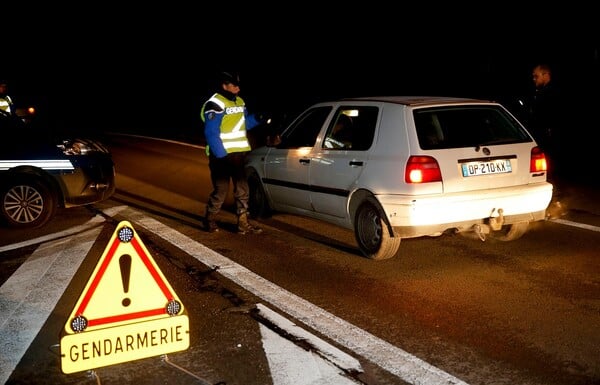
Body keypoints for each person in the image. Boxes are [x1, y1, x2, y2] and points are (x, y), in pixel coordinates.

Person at [200, 71, 264, 234]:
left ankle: (243, 223)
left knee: (242, 189)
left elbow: (242, 125)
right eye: (233, 85)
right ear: (224, 86)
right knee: (221, 190)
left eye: (238, 85)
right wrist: (221, 155)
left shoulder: (240, 102)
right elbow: (211, 133)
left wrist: (257, 118)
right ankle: (210, 219)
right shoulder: (215, 104)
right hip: (221, 156)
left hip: (238, 155)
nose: (237, 87)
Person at [527, 63, 563, 177]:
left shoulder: (552, 93)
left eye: (536, 76)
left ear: (545, 75)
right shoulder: (541, 92)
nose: (534, 79)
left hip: (549, 137)